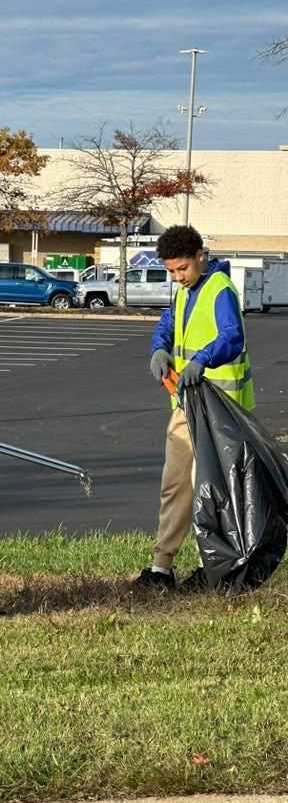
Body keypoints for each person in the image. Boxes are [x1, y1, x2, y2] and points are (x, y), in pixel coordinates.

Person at [133, 225, 255, 591]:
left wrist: (203, 359)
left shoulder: (220, 290)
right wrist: (159, 347)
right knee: (175, 484)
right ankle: (161, 567)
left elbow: (231, 336)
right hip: (187, 405)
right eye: (171, 271)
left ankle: (213, 566)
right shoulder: (185, 291)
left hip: (222, 411)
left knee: (210, 490)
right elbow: (170, 323)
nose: (177, 277)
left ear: (200, 256)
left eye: (182, 268)